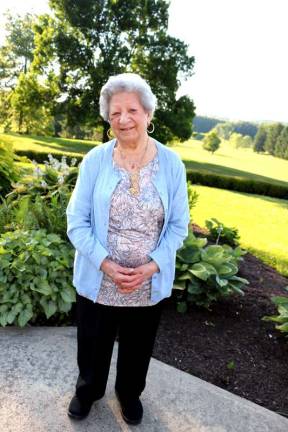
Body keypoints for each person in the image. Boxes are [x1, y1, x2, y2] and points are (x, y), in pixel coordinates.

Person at [66, 72, 189, 425]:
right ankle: (87, 390)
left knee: (138, 345)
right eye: (115, 112)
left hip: (146, 281)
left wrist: (152, 266)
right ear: (109, 119)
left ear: (148, 114)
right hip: (99, 276)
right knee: (93, 342)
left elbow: (179, 225)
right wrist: (105, 264)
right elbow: (77, 221)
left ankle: (129, 393)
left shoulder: (171, 164)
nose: (123, 119)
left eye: (132, 110)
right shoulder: (95, 161)